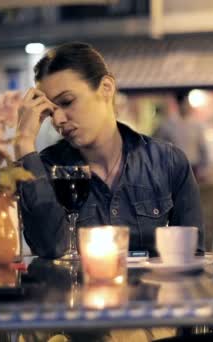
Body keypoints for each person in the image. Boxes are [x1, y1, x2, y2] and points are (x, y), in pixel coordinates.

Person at [15, 42, 203, 259]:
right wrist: (23, 141)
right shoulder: (48, 169)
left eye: (67, 102)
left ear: (106, 88)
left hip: (151, 292)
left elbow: (192, 255)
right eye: (50, 112)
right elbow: (51, 248)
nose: (58, 120)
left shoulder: (168, 162)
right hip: (76, 292)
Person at [153, 92, 208, 181]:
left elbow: (203, 149)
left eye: (188, 103)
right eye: (185, 103)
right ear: (179, 104)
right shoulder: (168, 125)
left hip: (193, 167)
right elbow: (158, 147)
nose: (187, 106)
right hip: (174, 167)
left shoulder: (196, 124)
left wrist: (204, 168)